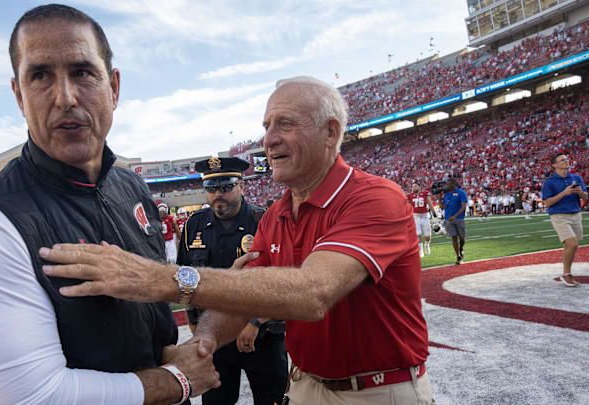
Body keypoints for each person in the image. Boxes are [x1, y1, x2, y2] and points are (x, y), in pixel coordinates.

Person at [41, 76, 433, 404]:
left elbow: (314, 293)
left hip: (378, 391)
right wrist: (205, 341)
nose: (269, 140)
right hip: (306, 385)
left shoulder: (374, 198)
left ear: (331, 132)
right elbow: (244, 298)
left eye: (285, 124)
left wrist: (168, 280)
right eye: (266, 127)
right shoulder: (278, 214)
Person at [0, 5, 218, 405]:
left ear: (114, 87)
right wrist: (176, 381)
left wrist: (168, 354)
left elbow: (139, 332)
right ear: (19, 95)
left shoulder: (132, 186)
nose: (65, 97)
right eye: (40, 76)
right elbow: (29, 397)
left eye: (82, 72)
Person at [178, 157, 287, 405]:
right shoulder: (193, 226)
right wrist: (194, 324)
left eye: (226, 187)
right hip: (216, 340)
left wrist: (256, 321)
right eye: (211, 189)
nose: (218, 194)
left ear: (241, 186)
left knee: (272, 400)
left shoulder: (265, 221)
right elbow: (186, 278)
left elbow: (282, 279)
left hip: (262, 337)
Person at [542, 153, 588, 287]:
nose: (566, 161)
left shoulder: (576, 178)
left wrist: (580, 192)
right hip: (559, 215)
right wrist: (564, 193)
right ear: (554, 165)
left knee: (572, 245)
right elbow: (548, 202)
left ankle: (566, 272)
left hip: (575, 213)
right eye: (562, 160)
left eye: (567, 159)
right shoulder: (549, 182)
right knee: (572, 243)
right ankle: (566, 274)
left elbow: (585, 197)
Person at [441, 178, 468, 265]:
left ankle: (461, 248)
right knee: (453, 238)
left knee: (462, 238)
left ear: (453, 184)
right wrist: (438, 199)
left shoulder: (461, 192)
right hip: (448, 219)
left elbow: (464, 206)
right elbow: (442, 207)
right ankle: (458, 256)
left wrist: (455, 216)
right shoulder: (446, 195)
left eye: (448, 184)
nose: (446, 186)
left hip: (459, 218)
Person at [406, 182, 436, 258]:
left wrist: (434, 214)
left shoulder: (425, 193)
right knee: (418, 234)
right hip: (416, 217)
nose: (413, 188)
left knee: (427, 235)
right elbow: (408, 207)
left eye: (415, 186)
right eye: (412, 186)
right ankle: (420, 249)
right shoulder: (409, 196)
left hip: (425, 217)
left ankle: (426, 245)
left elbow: (430, 204)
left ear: (419, 187)